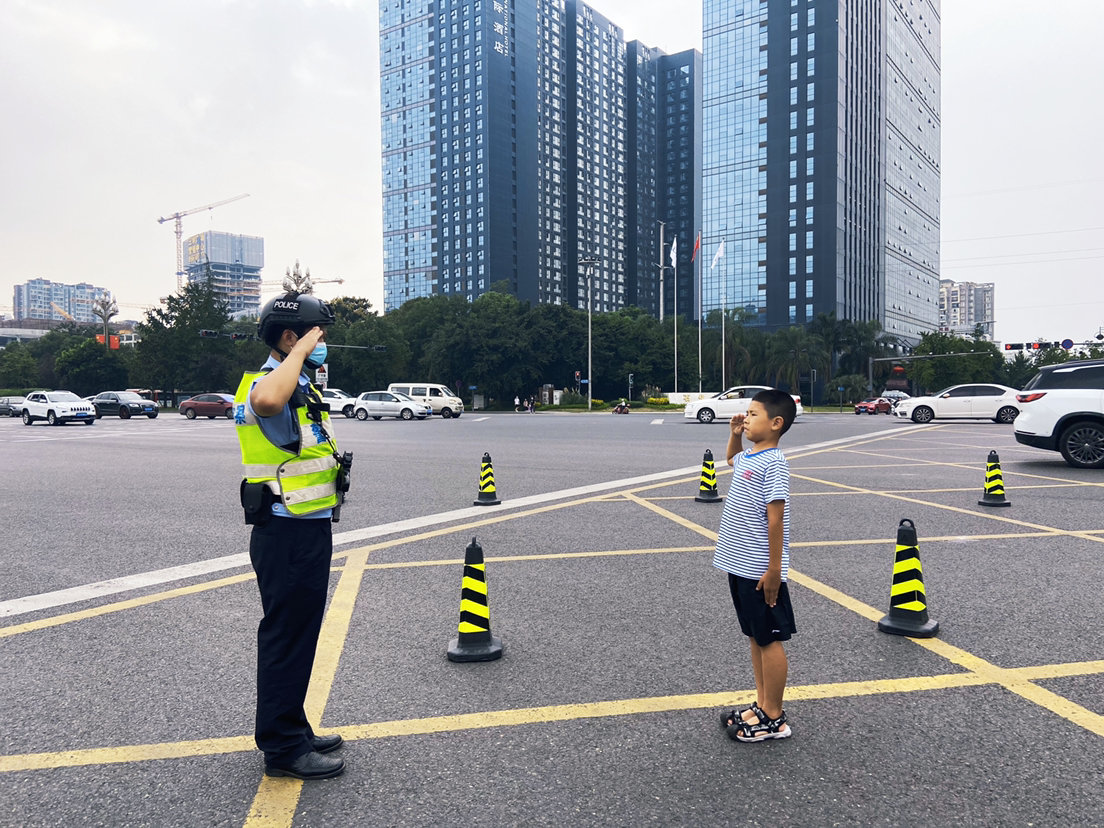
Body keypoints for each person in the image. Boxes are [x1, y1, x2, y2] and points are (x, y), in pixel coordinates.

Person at [233, 292, 350, 780]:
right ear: (289, 337)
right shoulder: (267, 385)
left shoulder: (298, 385)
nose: (323, 344)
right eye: (317, 335)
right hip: (286, 532)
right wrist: (300, 351)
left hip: (303, 527)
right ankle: (282, 749)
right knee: (287, 638)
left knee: (299, 637)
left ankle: (294, 729)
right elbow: (266, 401)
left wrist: (300, 358)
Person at [714, 389, 797, 742]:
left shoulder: (774, 463)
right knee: (755, 636)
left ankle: (774, 718)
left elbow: (776, 519)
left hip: (760, 569)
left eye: (752, 415)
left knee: (769, 639)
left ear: (776, 423)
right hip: (739, 563)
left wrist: (775, 570)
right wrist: (734, 435)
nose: (745, 419)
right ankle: (762, 705)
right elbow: (731, 460)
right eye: (745, 414)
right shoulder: (750, 455)